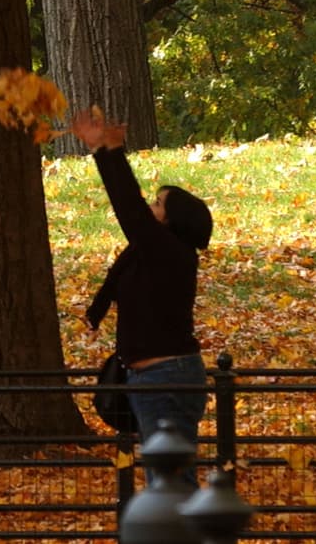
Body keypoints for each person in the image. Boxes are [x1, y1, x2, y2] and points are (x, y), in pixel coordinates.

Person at [71, 108, 212, 467]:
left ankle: (172, 525)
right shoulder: (149, 254)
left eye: (158, 203)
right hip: (150, 376)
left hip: (167, 379)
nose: (151, 207)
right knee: (164, 477)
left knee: (169, 478)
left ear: (173, 220)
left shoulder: (171, 253)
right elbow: (133, 213)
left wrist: (109, 151)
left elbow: (128, 207)